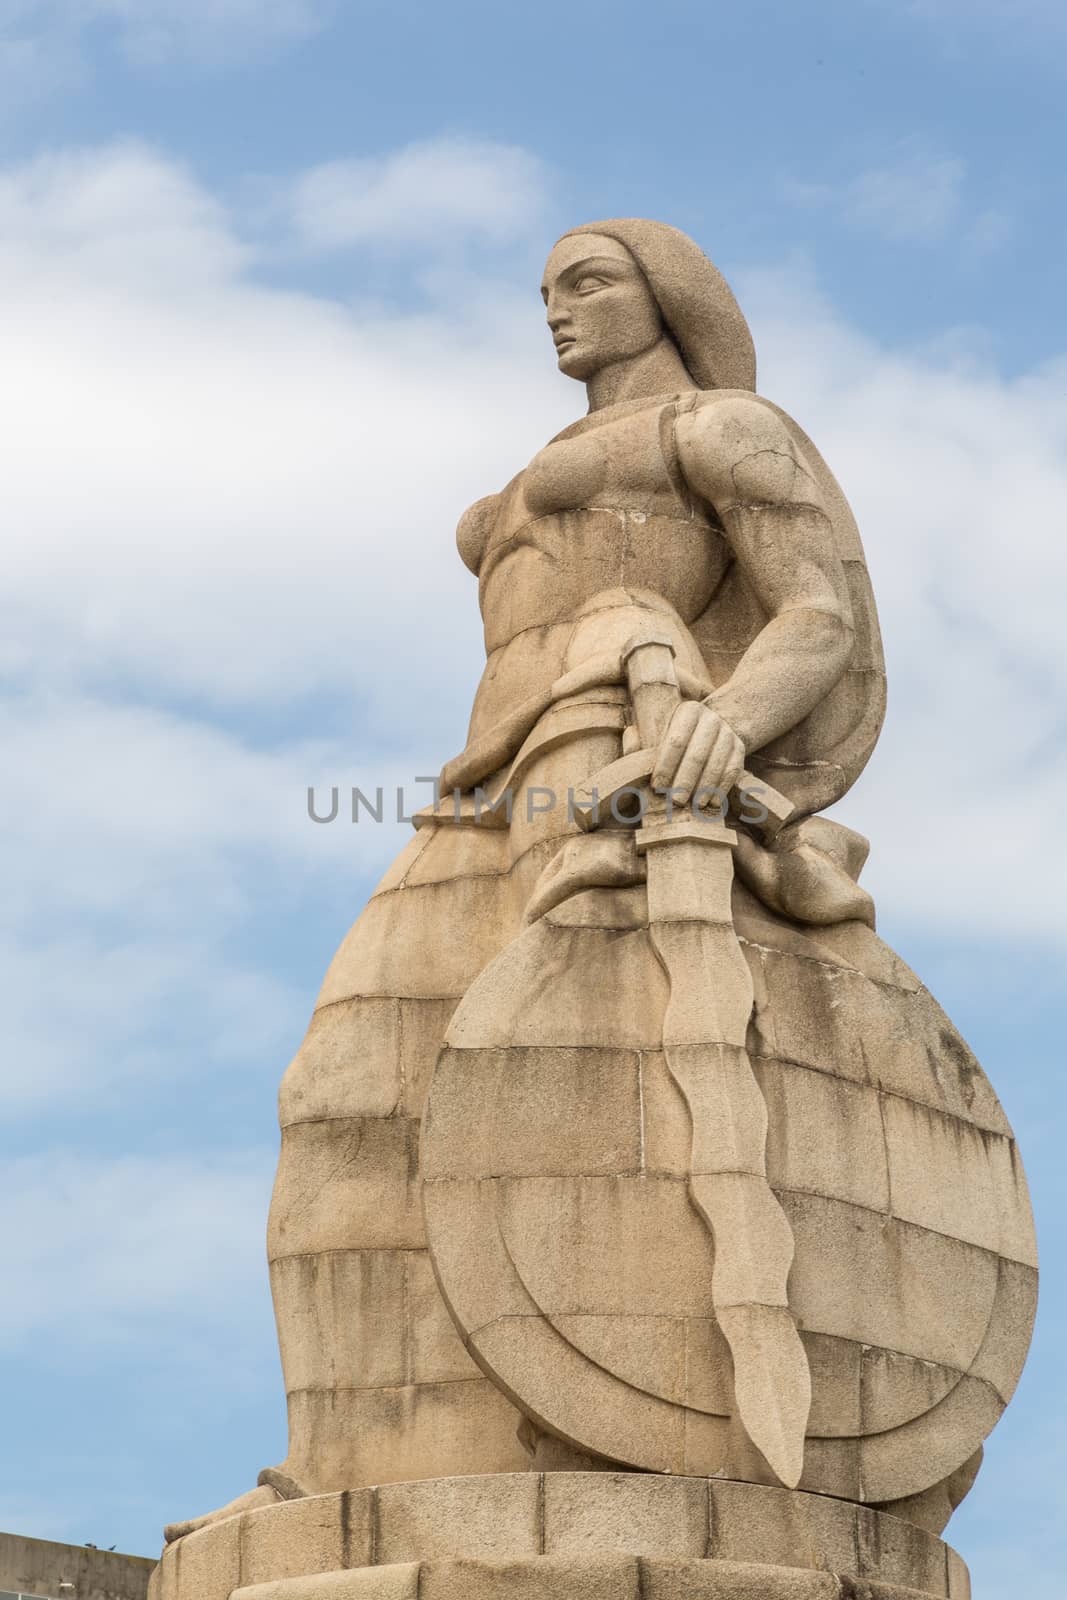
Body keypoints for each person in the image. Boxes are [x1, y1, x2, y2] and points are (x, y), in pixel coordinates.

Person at [165, 221, 1032, 1545]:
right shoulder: (545, 465)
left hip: (616, 739)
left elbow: (818, 612)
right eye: (548, 291)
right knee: (342, 1093)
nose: (557, 311)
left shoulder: (724, 428)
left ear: (665, 298)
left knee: (597, 1070)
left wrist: (725, 729)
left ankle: (608, 1427)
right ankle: (338, 1460)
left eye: (589, 283)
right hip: (490, 770)